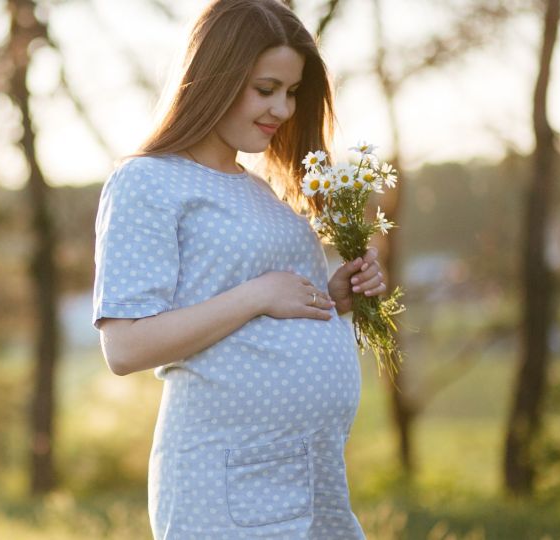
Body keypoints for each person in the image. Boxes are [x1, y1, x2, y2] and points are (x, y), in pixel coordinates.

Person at [90, 1, 388, 538]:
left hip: (309, 468)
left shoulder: (259, 189)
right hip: (226, 478)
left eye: (292, 92)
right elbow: (125, 347)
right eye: (266, 88)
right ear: (213, 79)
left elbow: (271, 306)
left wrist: (334, 296)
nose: (283, 109)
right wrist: (258, 295)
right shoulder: (147, 182)